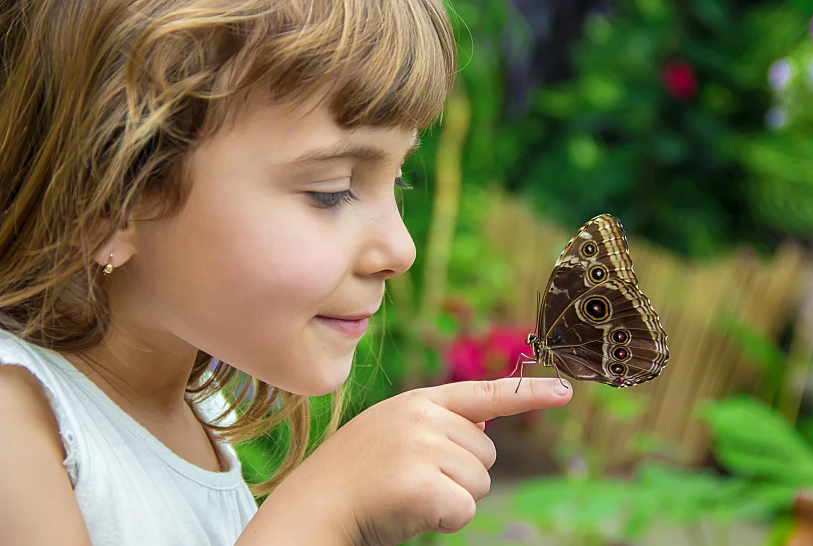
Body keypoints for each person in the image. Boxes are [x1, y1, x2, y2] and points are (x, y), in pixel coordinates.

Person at [0, 1, 573, 545]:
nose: (402, 249)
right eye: (331, 191)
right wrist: (326, 511)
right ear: (111, 200)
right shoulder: (17, 426)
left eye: (398, 179)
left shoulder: (201, 414)